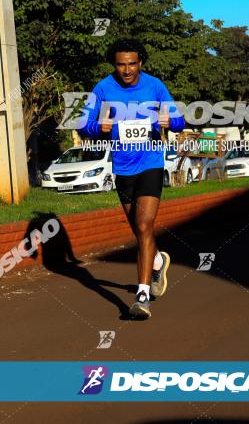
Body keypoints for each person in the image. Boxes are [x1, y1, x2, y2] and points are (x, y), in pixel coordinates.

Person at [79, 38, 185, 319]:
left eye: (132, 64)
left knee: (144, 223)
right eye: (121, 64)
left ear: (140, 62)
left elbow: (179, 120)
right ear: (115, 64)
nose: (127, 70)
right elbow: (83, 125)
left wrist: (169, 122)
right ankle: (159, 260)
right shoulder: (103, 89)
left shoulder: (155, 86)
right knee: (140, 232)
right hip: (123, 167)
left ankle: (142, 296)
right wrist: (97, 127)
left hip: (150, 161)